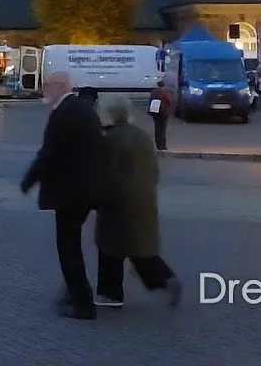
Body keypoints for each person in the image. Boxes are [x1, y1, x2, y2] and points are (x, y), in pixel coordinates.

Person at [20, 71, 110, 320]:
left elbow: (49, 153)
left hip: (70, 192)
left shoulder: (64, 113)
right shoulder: (81, 109)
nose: (44, 90)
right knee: (71, 245)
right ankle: (75, 292)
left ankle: (82, 303)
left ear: (60, 86)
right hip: (84, 190)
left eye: (47, 85)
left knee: (68, 248)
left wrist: (29, 180)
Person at [94, 96, 182, 309]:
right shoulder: (141, 135)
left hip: (119, 203)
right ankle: (163, 278)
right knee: (138, 249)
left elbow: (106, 173)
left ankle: (111, 293)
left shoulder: (112, 139)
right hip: (143, 199)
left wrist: (96, 197)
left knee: (110, 249)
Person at [148, 80, 172, 151]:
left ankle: (158, 144)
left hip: (155, 112)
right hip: (163, 113)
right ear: (163, 85)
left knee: (157, 128)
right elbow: (168, 102)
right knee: (162, 129)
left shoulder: (153, 92)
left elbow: (150, 101)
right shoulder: (165, 92)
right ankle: (163, 145)